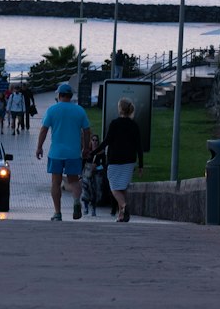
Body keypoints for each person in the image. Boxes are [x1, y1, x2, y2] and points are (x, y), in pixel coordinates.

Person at [35, 82, 91, 221]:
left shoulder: (52, 110)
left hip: (56, 153)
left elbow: (44, 129)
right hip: (73, 153)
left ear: (59, 95)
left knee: (55, 182)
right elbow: (86, 130)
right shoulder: (79, 110)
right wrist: (85, 148)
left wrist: (39, 147)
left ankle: (57, 213)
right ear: (71, 96)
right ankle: (76, 201)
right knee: (73, 180)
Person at [92, 97, 144, 222]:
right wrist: (141, 165)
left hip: (115, 160)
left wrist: (92, 153)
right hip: (130, 161)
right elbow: (139, 146)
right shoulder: (134, 125)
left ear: (120, 109)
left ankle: (124, 207)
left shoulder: (115, 123)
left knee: (114, 187)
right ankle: (122, 215)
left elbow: (106, 142)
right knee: (123, 188)